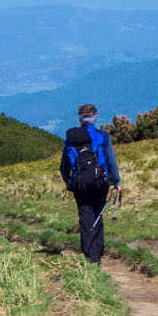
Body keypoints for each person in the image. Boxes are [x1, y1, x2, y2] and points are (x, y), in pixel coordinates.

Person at [60, 104, 120, 265]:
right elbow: (111, 161)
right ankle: (98, 253)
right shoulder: (102, 137)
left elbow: (64, 166)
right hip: (101, 182)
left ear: (80, 119)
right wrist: (117, 182)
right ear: (95, 118)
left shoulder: (71, 139)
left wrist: (68, 181)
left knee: (86, 217)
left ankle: (90, 256)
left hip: (80, 184)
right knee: (98, 216)